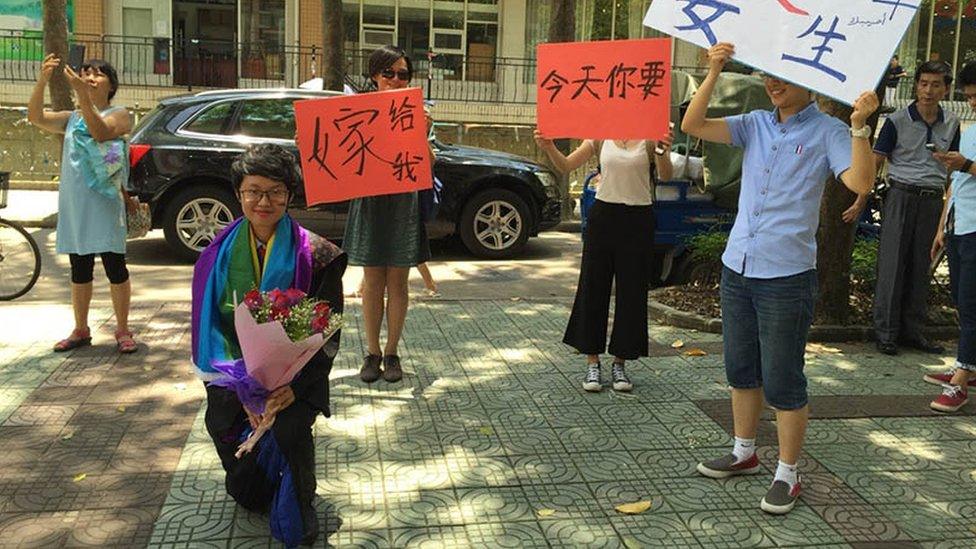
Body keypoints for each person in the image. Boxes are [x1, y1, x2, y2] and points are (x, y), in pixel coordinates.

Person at [682, 43, 877, 514]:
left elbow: (860, 182)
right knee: (740, 368)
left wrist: (860, 127)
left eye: (784, 77)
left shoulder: (830, 131)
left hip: (786, 274)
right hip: (739, 266)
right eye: (768, 74)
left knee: (784, 378)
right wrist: (713, 70)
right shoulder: (754, 123)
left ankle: (788, 474)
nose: (773, 83)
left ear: (809, 82)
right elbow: (691, 125)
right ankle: (744, 452)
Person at [191, 144, 346, 546]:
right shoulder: (214, 256)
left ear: (289, 195)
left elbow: (328, 331)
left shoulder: (320, 255)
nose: (264, 201)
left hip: (295, 377)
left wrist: (292, 387)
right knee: (223, 425)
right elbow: (210, 326)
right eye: (253, 191)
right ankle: (254, 484)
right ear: (238, 193)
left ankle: (300, 498)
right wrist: (243, 387)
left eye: (275, 191)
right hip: (232, 373)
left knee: (290, 428)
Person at [534, 126, 673, 393]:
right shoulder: (600, 136)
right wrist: (549, 146)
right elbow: (566, 165)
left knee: (632, 292)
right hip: (604, 217)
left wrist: (663, 150)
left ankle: (620, 362)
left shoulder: (649, 138)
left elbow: (666, 175)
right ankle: (592, 362)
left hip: (639, 218)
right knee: (593, 288)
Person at [27, 54, 139, 354]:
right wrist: (43, 80)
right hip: (76, 206)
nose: (89, 77)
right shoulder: (70, 118)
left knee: (115, 266)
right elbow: (35, 117)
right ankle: (81, 328)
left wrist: (80, 94)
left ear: (111, 84)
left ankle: (123, 329)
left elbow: (100, 131)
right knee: (80, 268)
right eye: (85, 72)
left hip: (105, 205)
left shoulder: (121, 114)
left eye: (98, 74)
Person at [849, 61, 961, 356]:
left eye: (936, 84)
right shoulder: (897, 121)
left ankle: (913, 332)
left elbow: (955, 168)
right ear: (916, 85)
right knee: (892, 263)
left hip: (932, 198)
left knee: (920, 266)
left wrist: (949, 207)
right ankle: (885, 332)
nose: (928, 90)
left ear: (946, 89)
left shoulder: (951, 123)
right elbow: (876, 160)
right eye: (923, 83)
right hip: (900, 195)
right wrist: (861, 198)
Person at [344, 45, 431, 384]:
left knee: (398, 282)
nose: (396, 80)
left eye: (403, 75)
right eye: (389, 74)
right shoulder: (355, 112)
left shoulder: (418, 113)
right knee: (372, 282)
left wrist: (422, 134)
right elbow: (341, 158)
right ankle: (372, 352)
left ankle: (392, 352)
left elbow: (429, 165)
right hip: (369, 203)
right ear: (374, 76)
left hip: (402, 206)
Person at [928, 61, 976, 412]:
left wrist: (967, 165)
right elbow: (957, 182)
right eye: (970, 97)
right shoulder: (969, 128)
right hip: (960, 222)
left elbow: (966, 170)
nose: (972, 102)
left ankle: (962, 380)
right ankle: (966, 364)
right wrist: (942, 225)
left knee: (972, 304)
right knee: (962, 300)